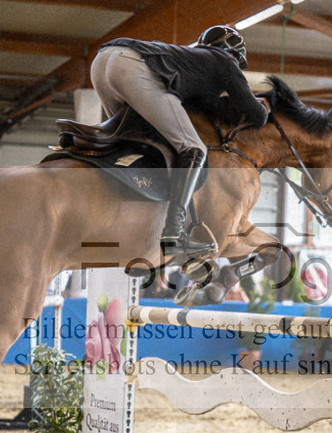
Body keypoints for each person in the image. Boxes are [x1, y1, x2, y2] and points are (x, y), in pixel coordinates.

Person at [90, 25, 269, 258]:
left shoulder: (193, 62)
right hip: (131, 67)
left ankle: (133, 226)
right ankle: (174, 234)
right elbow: (256, 115)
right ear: (235, 53)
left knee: (135, 142)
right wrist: (264, 106)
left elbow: (194, 107)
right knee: (194, 149)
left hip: (102, 61)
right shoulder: (225, 61)